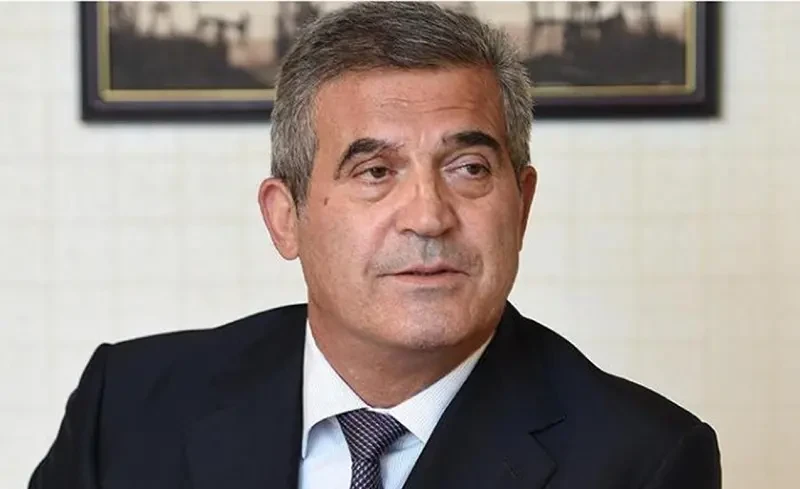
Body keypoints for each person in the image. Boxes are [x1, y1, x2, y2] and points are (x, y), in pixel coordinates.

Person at [29, 3, 721, 489]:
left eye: (469, 168)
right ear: (285, 218)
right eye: (375, 171)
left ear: (522, 204)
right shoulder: (128, 406)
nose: (428, 216)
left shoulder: (645, 460)